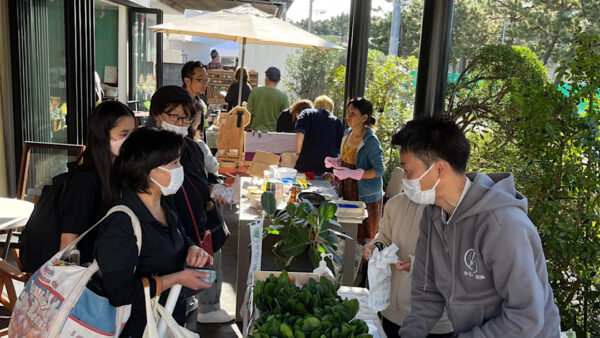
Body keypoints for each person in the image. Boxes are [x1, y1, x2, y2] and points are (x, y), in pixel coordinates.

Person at [393, 118, 560, 337]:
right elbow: (427, 293)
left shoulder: (503, 225)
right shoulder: (433, 215)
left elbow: (526, 317)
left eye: (408, 172)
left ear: (440, 169)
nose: (404, 180)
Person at [94, 127, 214, 337]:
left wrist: (192, 247)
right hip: (137, 328)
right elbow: (119, 293)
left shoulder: (164, 203)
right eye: (173, 163)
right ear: (146, 170)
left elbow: (175, 236)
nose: (180, 168)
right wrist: (177, 278)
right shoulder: (121, 223)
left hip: (168, 319)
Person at [149, 86, 233, 324]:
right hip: (169, 225)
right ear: (156, 115)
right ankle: (184, 307)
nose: (181, 121)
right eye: (174, 115)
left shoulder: (193, 146)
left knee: (206, 260)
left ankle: (204, 304)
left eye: (186, 116)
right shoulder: (149, 148)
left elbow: (204, 177)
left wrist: (215, 187)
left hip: (199, 219)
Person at [363, 193, 454, 337]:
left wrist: (418, 264)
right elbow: (384, 236)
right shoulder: (395, 203)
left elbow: (457, 260)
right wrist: (375, 247)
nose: (406, 177)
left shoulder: (450, 209)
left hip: (433, 323)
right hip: (392, 311)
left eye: (411, 172)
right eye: (405, 172)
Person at [60, 101, 135, 265]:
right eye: (123, 134)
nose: (130, 140)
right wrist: (71, 279)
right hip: (88, 273)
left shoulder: (118, 171)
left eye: (132, 133)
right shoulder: (85, 180)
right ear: (103, 134)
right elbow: (68, 241)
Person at [327, 97, 384, 244]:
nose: (348, 116)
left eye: (353, 113)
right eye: (348, 112)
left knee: (364, 235)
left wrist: (355, 173)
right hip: (347, 188)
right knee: (347, 230)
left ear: (364, 117)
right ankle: (348, 262)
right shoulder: (347, 133)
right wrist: (337, 162)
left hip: (365, 194)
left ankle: (362, 266)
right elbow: (347, 158)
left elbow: (379, 170)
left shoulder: (370, 140)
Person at [146, 61, 208, 137]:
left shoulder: (199, 104)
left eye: (206, 80)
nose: (205, 84)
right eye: (200, 80)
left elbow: (200, 136)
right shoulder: (170, 99)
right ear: (187, 81)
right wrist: (193, 127)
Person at [294, 96, 342, 175]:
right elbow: (338, 150)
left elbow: (300, 133)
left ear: (315, 105)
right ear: (331, 108)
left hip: (306, 164)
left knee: (305, 186)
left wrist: (298, 153)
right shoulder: (337, 121)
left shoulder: (307, 113)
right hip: (328, 169)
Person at [246, 66, 289, 131]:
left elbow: (248, 113)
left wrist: (246, 128)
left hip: (255, 134)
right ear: (279, 80)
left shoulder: (255, 92)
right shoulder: (283, 97)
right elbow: (286, 120)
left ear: (266, 77)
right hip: (274, 136)